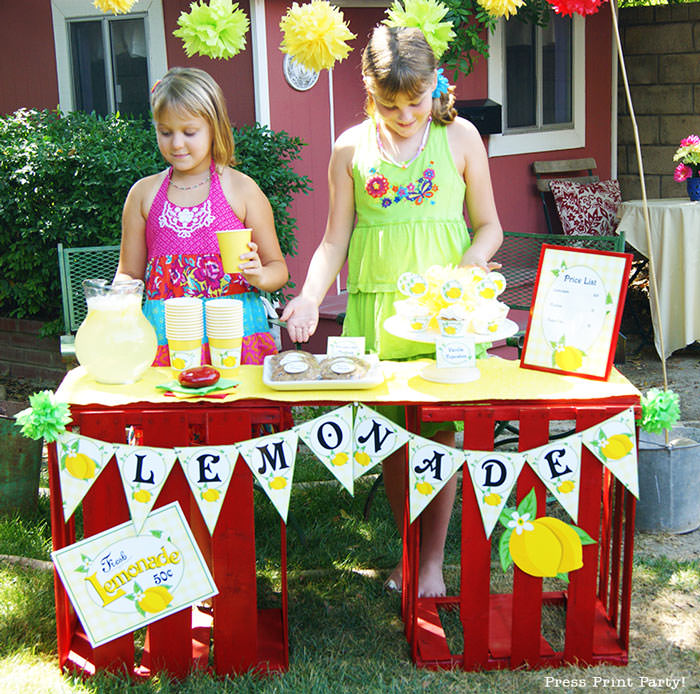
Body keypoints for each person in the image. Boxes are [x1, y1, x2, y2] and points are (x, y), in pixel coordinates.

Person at [281, 25, 503, 597]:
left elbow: (489, 226)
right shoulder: (350, 148)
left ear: (435, 85)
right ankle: (408, 549)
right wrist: (308, 295)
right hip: (378, 310)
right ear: (368, 90)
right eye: (391, 105)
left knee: (442, 436)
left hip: (445, 314)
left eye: (417, 100)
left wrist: (473, 261)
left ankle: (432, 562)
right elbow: (334, 240)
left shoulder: (461, 139)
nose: (406, 116)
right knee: (395, 440)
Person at [116, 67, 288, 366]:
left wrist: (259, 275)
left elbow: (278, 270)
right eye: (165, 132)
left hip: (237, 343)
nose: (176, 144)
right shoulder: (143, 194)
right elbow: (129, 274)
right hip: (166, 343)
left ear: (214, 128)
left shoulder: (241, 189)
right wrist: (117, 298)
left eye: (189, 132)